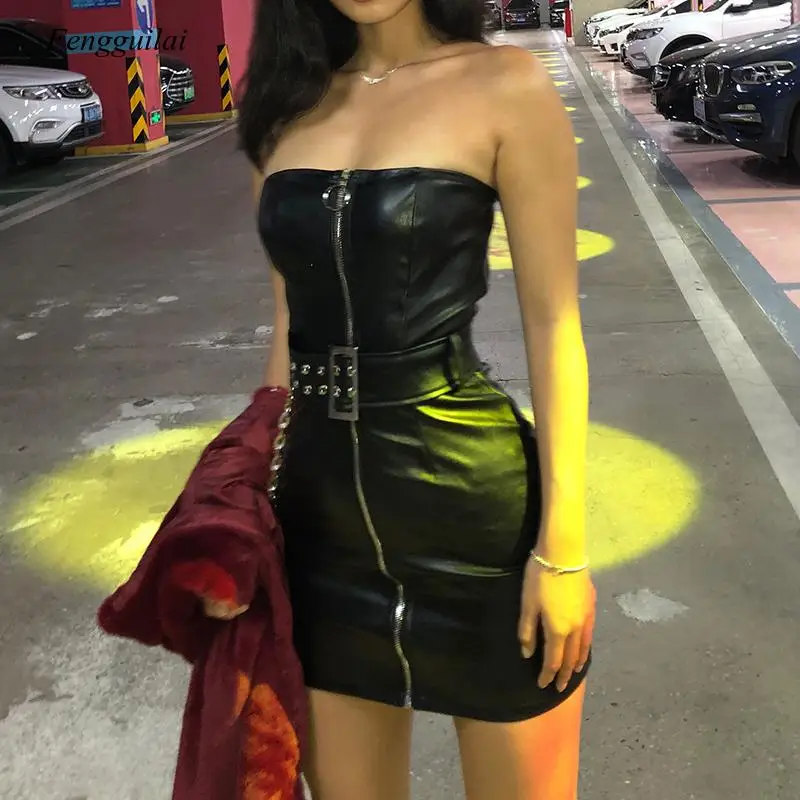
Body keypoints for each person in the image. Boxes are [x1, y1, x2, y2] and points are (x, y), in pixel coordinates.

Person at [230, 1, 597, 797]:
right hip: (318, 534)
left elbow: (553, 323)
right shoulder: (283, 108)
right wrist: (242, 499)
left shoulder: (506, 85)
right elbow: (288, 327)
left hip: (475, 520)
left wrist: (563, 549)